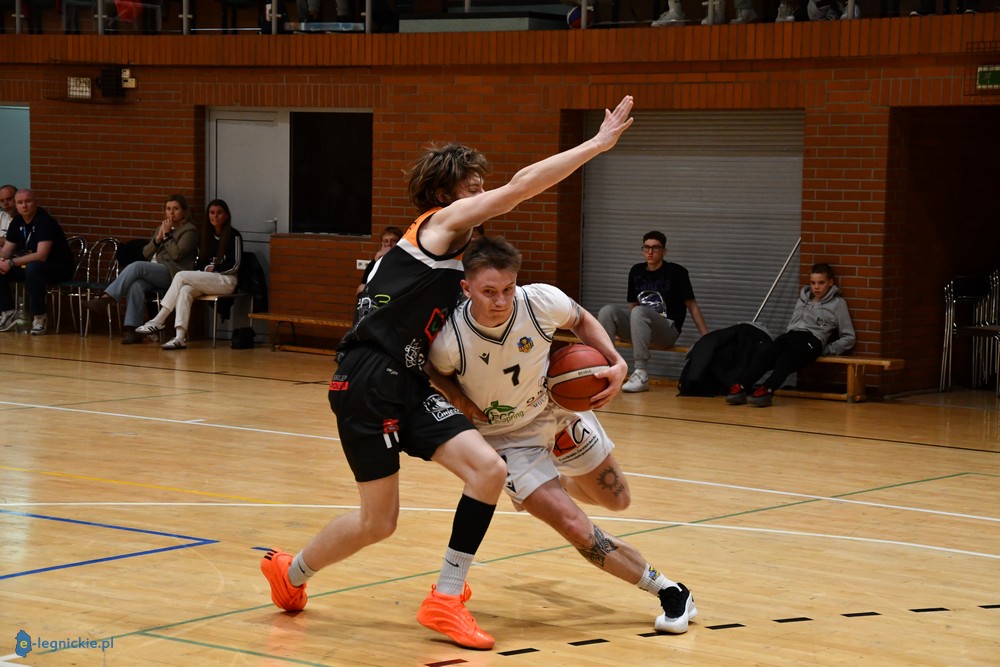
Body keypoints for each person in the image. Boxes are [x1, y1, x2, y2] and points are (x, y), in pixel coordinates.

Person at [258, 95, 636, 651]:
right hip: (368, 379)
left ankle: (445, 597)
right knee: (378, 522)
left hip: (408, 379)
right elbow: (521, 187)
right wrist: (596, 145)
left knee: (487, 469)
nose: (483, 194)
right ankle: (291, 573)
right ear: (444, 196)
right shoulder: (437, 226)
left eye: (483, 185)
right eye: (473, 187)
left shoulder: (452, 258)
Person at [427, 235, 698, 635]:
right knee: (574, 526)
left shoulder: (539, 301)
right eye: (489, 292)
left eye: (508, 289)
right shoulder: (451, 339)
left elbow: (581, 319)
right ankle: (670, 590)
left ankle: (557, 481)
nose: (501, 301)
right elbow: (435, 371)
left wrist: (616, 361)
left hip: (556, 410)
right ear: (466, 288)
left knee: (618, 500)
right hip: (506, 439)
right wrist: (458, 399)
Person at [726, 262, 855, 407]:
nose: (816, 287)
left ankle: (767, 390)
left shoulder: (838, 304)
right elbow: (793, 322)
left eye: (821, 283)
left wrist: (827, 349)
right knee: (768, 352)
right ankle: (741, 386)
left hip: (813, 339)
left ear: (830, 282)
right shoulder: (802, 299)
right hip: (793, 335)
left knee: (787, 356)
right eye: (813, 283)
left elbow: (849, 337)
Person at [597, 230, 709, 393]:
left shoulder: (677, 272)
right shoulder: (636, 271)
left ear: (664, 251)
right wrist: (625, 329)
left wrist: (706, 336)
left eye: (655, 248)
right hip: (640, 326)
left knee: (639, 311)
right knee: (607, 311)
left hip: (666, 331)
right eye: (646, 247)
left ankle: (641, 373)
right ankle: (608, 367)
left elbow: (692, 305)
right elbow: (633, 304)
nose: (650, 252)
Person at [85, 194, 199, 344]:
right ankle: (134, 330)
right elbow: (145, 253)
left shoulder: (190, 230)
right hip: (156, 271)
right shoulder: (162, 227)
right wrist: (157, 240)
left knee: (137, 266)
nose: (171, 213)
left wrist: (166, 235)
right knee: (136, 285)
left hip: (174, 273)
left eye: (176, 209)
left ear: (184, 211)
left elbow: (177, 255)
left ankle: (107, 298)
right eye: (168, 209)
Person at [134, 199, 242, 350]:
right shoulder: (206, 235)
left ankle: (158, 320)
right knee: (185, 290)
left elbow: (235, 264)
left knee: (180, 276)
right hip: (209, 279)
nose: (215, 216)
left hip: (226, 280)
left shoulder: (234, 235)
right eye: (212, 213)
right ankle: (180, 337)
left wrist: (215, 269)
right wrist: (207, 268)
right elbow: (200, 262)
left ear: (226, 215)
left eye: (219, 213)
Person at [0, 189, 74, 335]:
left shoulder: (45, 221)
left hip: (58, 267)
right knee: (3, 269)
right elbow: (6, 252)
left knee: (33, 268)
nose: (24, 206)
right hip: (32, 268)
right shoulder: (17, 221)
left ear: (36, 202)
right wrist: (2, 261)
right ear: (16, 205)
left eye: (28, 201)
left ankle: (40, 317)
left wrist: (11, 263)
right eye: (20, 202)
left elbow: (41, 256)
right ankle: (7, 312)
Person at [355, 225, 403, 295]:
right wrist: (376, 259)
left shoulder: (403, 259)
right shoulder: (380, 257)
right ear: (382, 243)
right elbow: (365, 281)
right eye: (386, 241)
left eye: (393, 241)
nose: (389, 244)